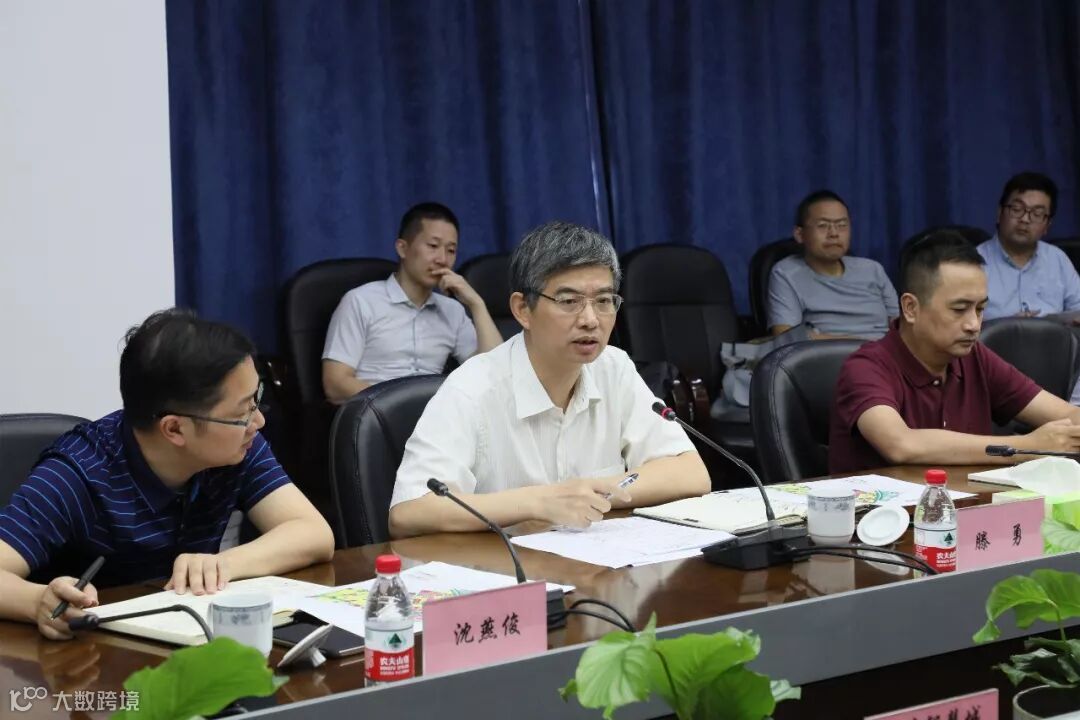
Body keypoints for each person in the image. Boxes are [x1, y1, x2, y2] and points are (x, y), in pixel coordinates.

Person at [0, 310, 335, 639]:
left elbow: (313, 533)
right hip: (88, 654)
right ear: (174, 429)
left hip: (187, 640)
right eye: (242, 412)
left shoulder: (239, 447)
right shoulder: (78, 474)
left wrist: (223, 564)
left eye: (256, 400)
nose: (258, 421)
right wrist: (38, 602)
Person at [388, 221, 710, 538]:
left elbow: (691, 472)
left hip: (597, 562)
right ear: (522, 310)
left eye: (603, 301)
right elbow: (409, 511)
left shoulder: (614, 368)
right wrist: (538, 503)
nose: (590, 320)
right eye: (569, 302)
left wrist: (590, 495)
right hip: (506, 566)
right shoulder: (472, 388)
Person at [829, 231, 1080, 474]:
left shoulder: (975, 357)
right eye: (959, 309)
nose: (974, 324)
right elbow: (901, 444)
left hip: (970, 501)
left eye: (980, 309)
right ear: (911, 308)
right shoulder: (866, 367)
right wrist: (1026, 446)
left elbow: (1068, 415)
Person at [322, 202, 503, 403]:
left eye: (451, 250)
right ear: (403, 248)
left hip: (435, 414)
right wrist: (398, 404)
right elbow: (335, 384)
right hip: (374, 412)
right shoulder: (360, 301)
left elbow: (493, 372)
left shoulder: (452, 311)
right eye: (433, 246)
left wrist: (476, 304)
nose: (442, 259)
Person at [768, 190, 898, 339]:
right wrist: (861, 344)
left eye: (842, 225)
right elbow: (785, 336)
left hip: (884, 352)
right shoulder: (786, 273)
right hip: (829, 353)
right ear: (800, 234)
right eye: (823, 225)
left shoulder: (872, 269)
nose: (834, 233)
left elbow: (903, 326)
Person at [977, 172, 1080, 320]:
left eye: (1037, 214)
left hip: (1053, 335)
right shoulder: (974, 263)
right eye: (1017, 209)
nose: (1025, 219)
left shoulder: (1057, 259)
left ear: (1047, 225)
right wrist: (1009, 327)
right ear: (999, 213)